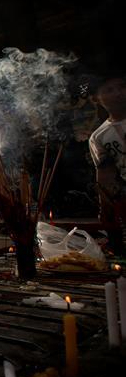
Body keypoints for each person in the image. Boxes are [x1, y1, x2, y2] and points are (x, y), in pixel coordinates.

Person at [88, 74, 126, 254]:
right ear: (97, 98)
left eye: (122, 87)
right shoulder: (99, 136)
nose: (118, 93)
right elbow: (105, 175)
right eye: (109, 90)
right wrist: (105, 208)